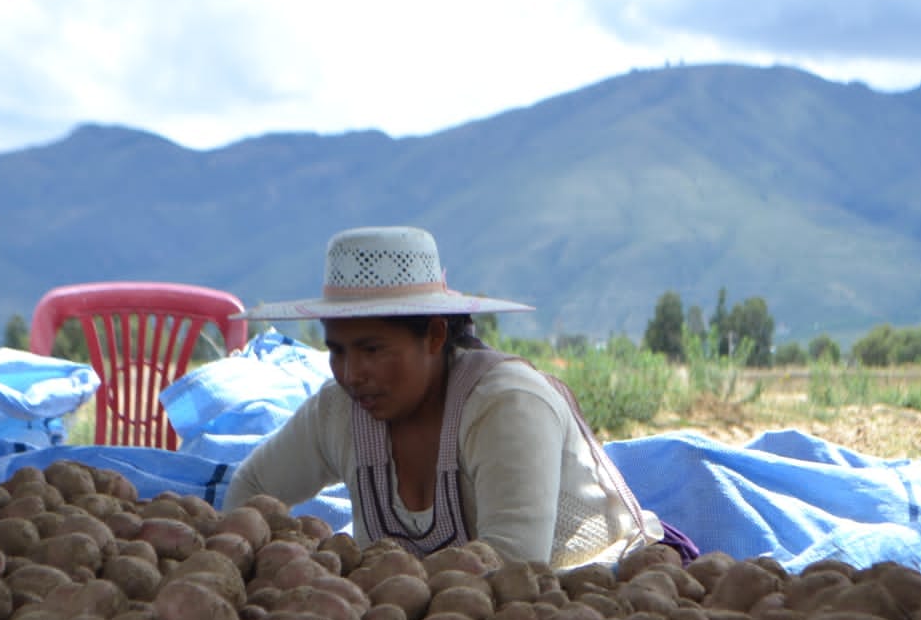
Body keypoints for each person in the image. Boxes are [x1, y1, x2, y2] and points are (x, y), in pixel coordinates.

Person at [225, 226, 694, 570]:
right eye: (337, 350)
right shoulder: (339, 411)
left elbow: (513, 566)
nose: (351, 374)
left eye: (372, 349)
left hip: (592, 594)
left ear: (433, 335)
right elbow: (250, 490)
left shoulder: (506, 406)